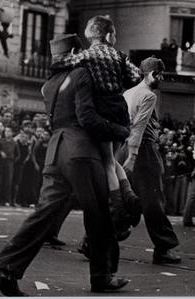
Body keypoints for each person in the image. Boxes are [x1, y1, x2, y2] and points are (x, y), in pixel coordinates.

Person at [0, 34, 131, 295]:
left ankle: (5, 268)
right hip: (81, 151)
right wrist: (120, 130)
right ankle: (102, 276)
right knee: (99, 213)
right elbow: (86, 117)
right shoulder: (81, 75)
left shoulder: (49, 83)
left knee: (43, 214)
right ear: (76, 51)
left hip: (55, 152)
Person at [61, 15, 142, 236]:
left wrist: (71, 57)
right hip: (119, 109)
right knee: (113, 159)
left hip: (102, 109)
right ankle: (130, 195)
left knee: (107, 162)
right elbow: (136, 76)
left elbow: (63, 65)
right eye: (114, 34)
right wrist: (119, 82)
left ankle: (118, 208)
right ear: (108, 35)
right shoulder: (118, 55)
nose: (115, 37)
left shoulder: (86, 56)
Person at [119, 56, 181, 264]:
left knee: (128, 198)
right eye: (160, 74)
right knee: (154, 199)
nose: (161, 78)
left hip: (123, 147)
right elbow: (139, 125)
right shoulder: (148, 95)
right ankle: (163, 248)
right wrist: (134, 155)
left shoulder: (128, 93)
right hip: (143, 151)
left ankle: (92, 242)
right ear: (152, 74)